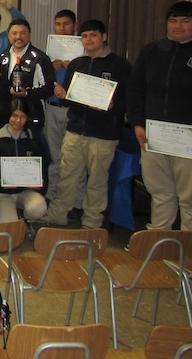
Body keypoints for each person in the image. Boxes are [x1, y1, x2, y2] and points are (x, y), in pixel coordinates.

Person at [127, 1, 192, 242]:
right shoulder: (151, 51)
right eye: (173, 20)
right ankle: (158, 245)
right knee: (160, 194)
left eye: (185, 21)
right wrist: (138, 124)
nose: (178, 25)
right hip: (154, 138)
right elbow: (134, 90)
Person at [40, 19, 131, 229]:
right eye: (85, 36)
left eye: (93, 35)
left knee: (97, 181)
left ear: (104, 37)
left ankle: (92, 222)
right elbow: (71, 98)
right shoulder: (77, 64)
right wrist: (62, 95)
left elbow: (130, 98)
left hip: (104, 134)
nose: (89, 39)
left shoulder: (119, 65)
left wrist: (113, 106)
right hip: (75, 130)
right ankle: (58, 214)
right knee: (67, 175)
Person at [43, 10, 86, 215]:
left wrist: (73, 68)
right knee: (55, 156)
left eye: (66, 24)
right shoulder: (50, 52)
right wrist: (51, 68)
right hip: (52, 108)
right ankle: (52, 196)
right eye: (58, 24)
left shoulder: (84, 53)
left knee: (75, 159)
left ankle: (77, 202)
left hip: (74, 110)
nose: (62, 28)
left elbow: (90, 86)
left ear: (74, 26)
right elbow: (42, 81)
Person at [0, 99, 46, 238]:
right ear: (8, 116)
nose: (18, 121)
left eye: (23, 116)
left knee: (39, 208)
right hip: (2, 194)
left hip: (25, 191)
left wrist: (41, 184)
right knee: (11, 231)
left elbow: (43, 166)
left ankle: (26, 219)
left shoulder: (33, 140)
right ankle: (16, 219)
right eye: (14, 116)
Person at [0, 19, 55, 133]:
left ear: (29, 34)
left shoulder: (39, 58)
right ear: (8, 35)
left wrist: (27, 93)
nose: (18, 37)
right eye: (14, 33)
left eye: (23, 33)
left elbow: (50, 87)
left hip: (31, 114)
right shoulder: (4, 56)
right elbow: (0, 83)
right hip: (7, 113)